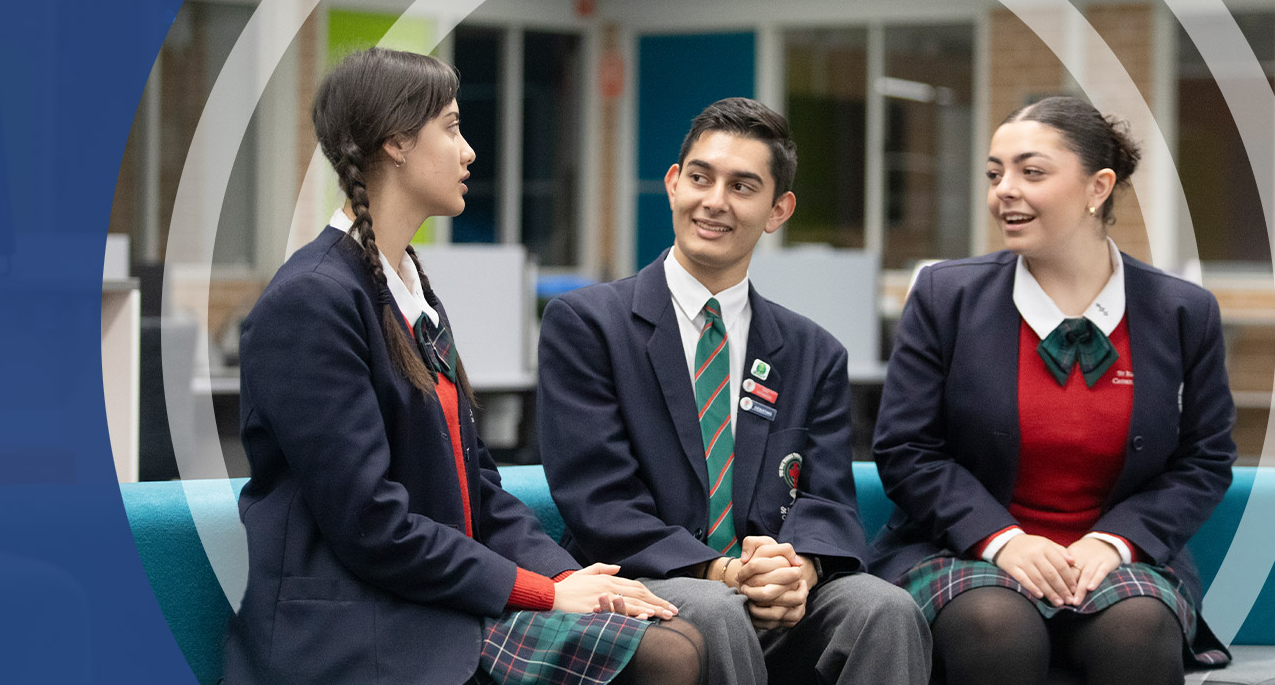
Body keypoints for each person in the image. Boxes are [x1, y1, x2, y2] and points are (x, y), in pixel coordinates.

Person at [223, 47, 704, 685]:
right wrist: (539, 592)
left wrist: (562, 575)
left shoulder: (407, 284)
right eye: (451, 128)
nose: (469, 150)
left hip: (429, 603)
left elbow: (476, 485)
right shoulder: (312, 299)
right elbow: (371, 524)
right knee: (665, 655)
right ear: (395, 142)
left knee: (677, 637)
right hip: (359, 626)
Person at [537, 97, 929, 685]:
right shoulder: (588, 325)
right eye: (700, 178)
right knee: (718, 610)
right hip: (648, 585)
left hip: (771, 594)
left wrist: (801, 569)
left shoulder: (813, 352)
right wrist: (718, 572)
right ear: (673, 185)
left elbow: (826, 500)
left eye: (743, 186)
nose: (714, 201)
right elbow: (600, 500)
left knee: (884, 609)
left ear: (778, 210)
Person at [867, 95, 1236, 685]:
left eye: (1030, 172)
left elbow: (1206, 460)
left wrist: (1117, 543)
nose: (1004, 190)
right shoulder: (944, 297)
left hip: (1115, 559)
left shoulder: (1181, 310)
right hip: (968, 550)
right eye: (995, 174)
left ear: (1098, 188)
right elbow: (906, 450)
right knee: (996, 626)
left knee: (1138, 629)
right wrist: (1002, 540)